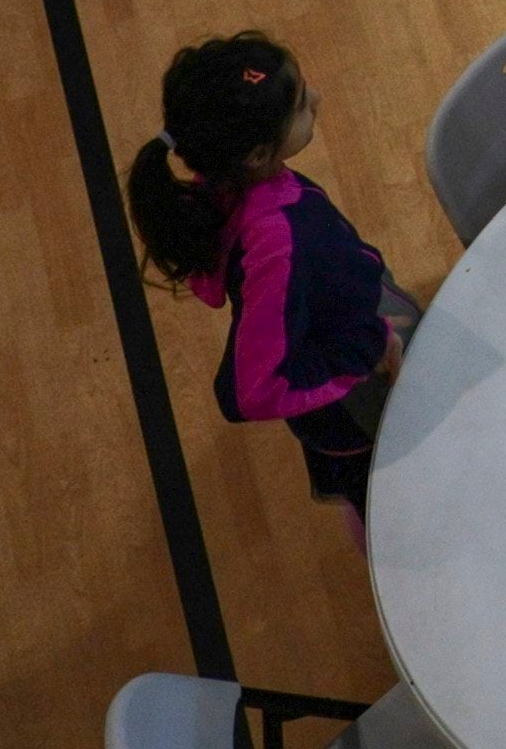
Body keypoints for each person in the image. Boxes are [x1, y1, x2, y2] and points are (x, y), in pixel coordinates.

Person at [124, 36, 412, 535]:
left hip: (354, 329)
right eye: (302, 102)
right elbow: (255, 388)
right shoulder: (278, 244)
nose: (318, 98)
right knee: (386, 496)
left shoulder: (230, 186)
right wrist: (361, 355)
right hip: (353, 405)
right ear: (257, 152)